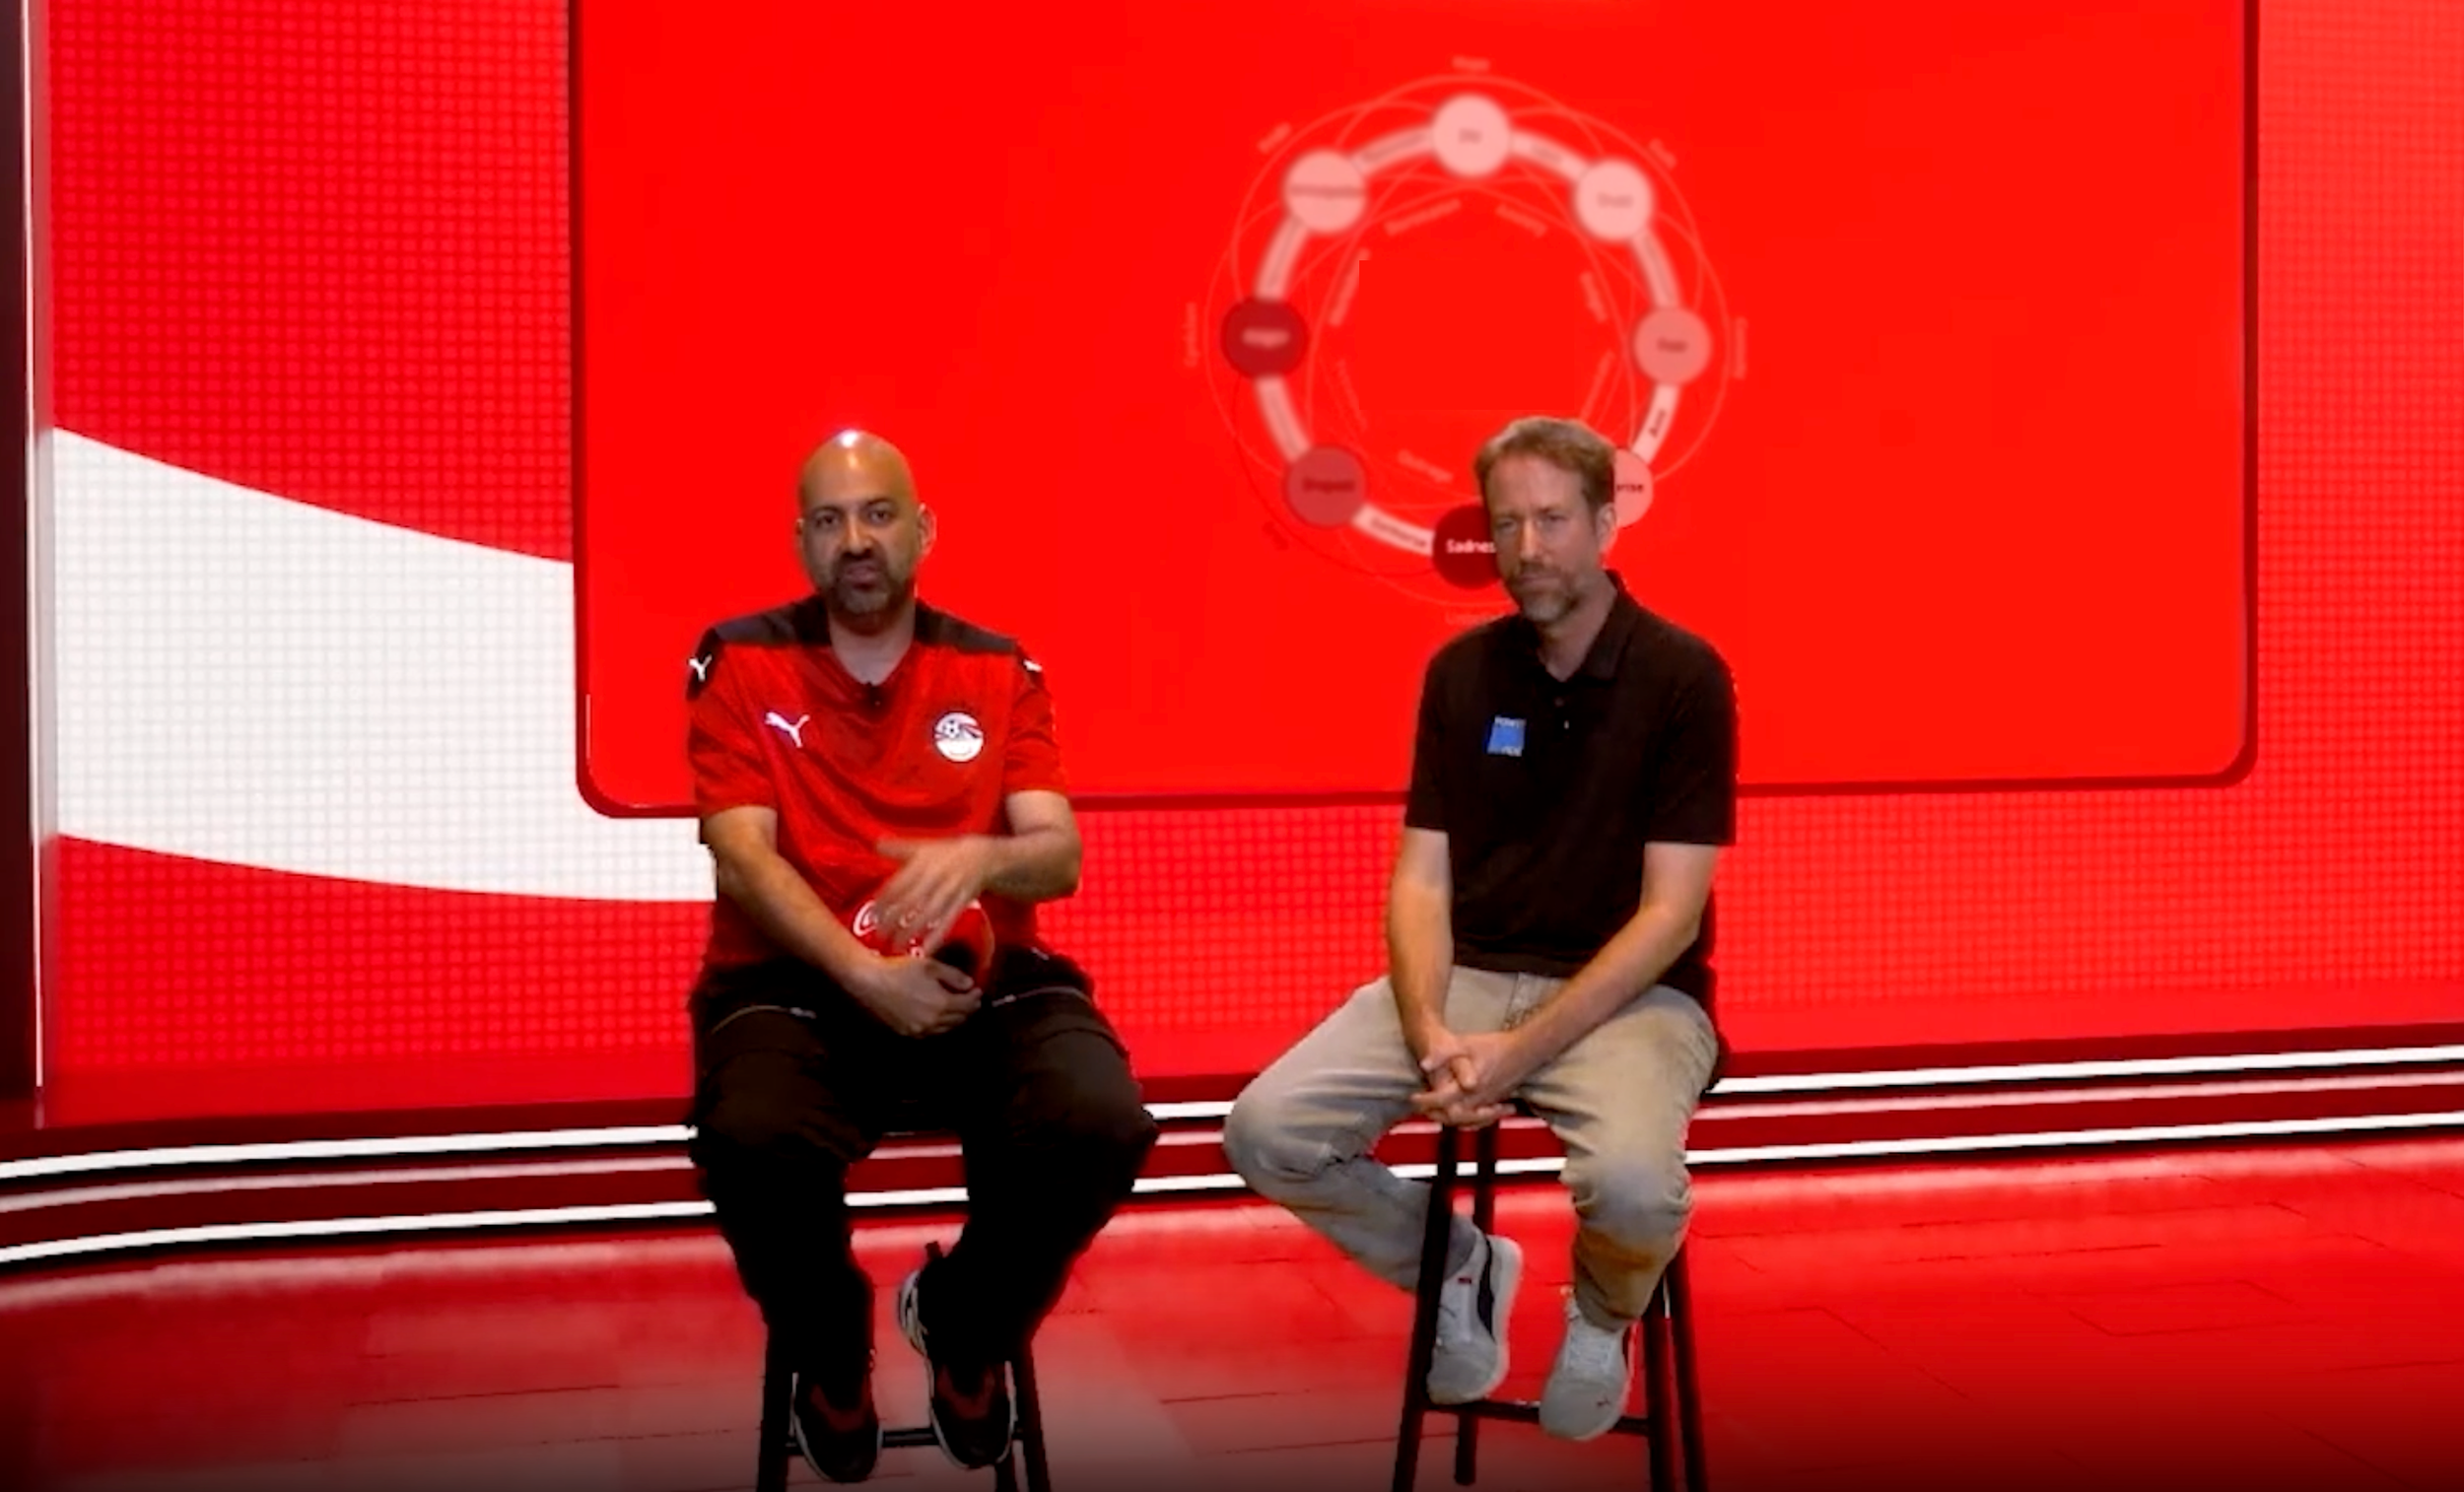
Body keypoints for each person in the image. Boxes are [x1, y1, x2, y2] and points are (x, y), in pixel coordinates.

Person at [1223, 414, 1736, 1443]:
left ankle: (1599, 1316)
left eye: (1551, 520)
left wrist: (1512, 1053)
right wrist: (1431, 1032)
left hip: (1633, 996)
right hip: (1469, 983)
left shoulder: (1684, 676)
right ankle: (1458, 1261)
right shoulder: (1460, 674)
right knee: (1266, 1130)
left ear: (1602, 522)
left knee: (1634, 1190)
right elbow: (1419, 882)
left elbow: (1668, 915)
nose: (1527, 548)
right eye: (1507, 525)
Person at [681, 430, 1158, 1483]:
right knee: (748, 1133)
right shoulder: (737, 656)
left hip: (978, 979)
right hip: (796, 986)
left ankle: (962, 1321)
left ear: (923, 527)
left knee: (1101, 1120)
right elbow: (741, 855)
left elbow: (1057, 853)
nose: (857, 539)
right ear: (802, 541)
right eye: (830, 519)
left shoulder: (995, 664)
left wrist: (984, 855)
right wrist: (864, 977)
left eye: (879, 513)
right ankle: (831, 1354)